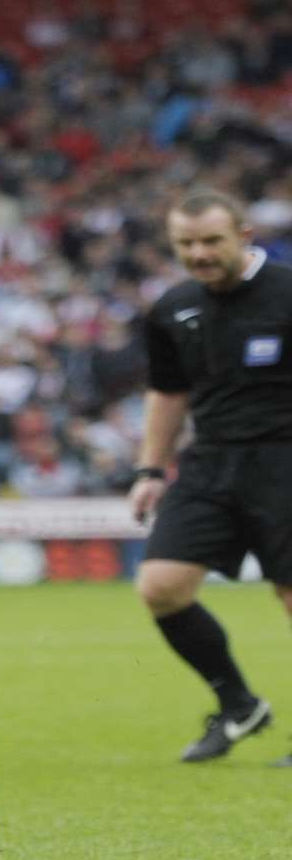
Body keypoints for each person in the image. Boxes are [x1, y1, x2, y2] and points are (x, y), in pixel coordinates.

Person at [131, 189, 292, 765]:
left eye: (211, 241)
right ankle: (238, 703)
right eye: (186, 244)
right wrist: (151, 468)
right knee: (161, 586)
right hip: (211, 461)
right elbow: (168, 392)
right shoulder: (173, 307)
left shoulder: (287, 292)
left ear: (244, 236)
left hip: (285, 461)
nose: (199, 253)